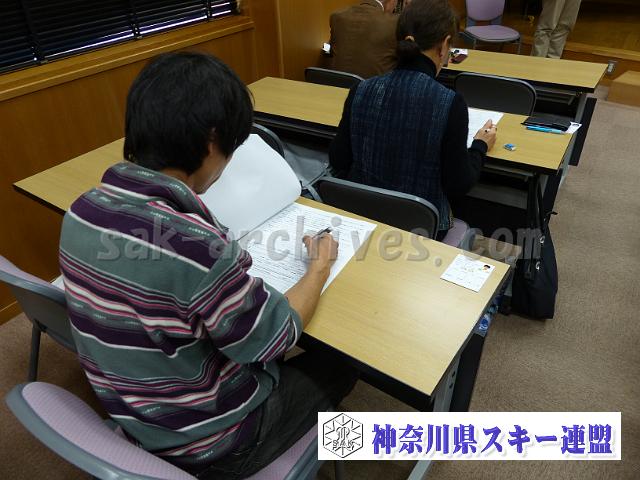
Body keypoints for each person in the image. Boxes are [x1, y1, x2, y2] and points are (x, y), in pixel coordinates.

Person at [58, 52, 357, 479]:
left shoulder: (81, 211)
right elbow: (276, 337)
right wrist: (320, 266)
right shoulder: (197, 247)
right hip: (215, 446)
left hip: (133, 412)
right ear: (212, 142)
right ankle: (326, 450)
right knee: (343, 363)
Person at [329, 0, 497, 240]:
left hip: (361, 217)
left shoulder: (361, 89)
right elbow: (458, 184)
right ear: (444, 45)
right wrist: (480, 146)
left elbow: (339, 159)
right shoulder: (451, 103)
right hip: (422, 229)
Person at [329, 0, 399, 79]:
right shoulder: (395, 22)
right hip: (373, 86)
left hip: (336, 84)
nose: (395, 8)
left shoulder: (337, 16)